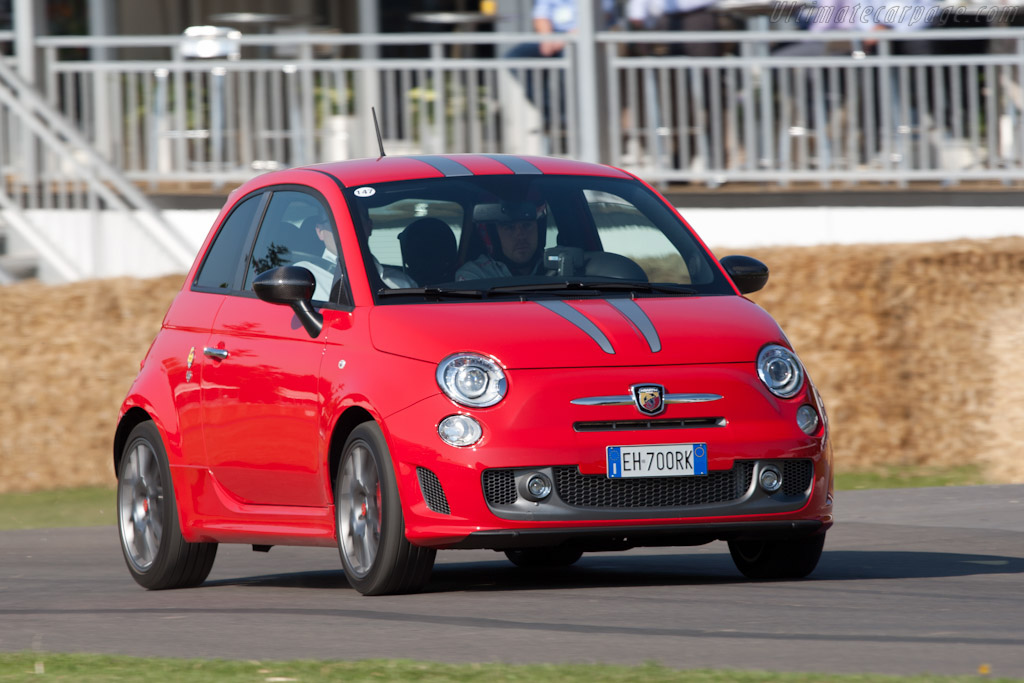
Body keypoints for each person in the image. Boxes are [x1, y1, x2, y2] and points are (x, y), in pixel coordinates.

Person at [456, 201, 546, 281]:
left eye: (527, 225)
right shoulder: (474, 275)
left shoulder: (557, 266)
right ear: (494, 236)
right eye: (510, 228)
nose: (521, 235)